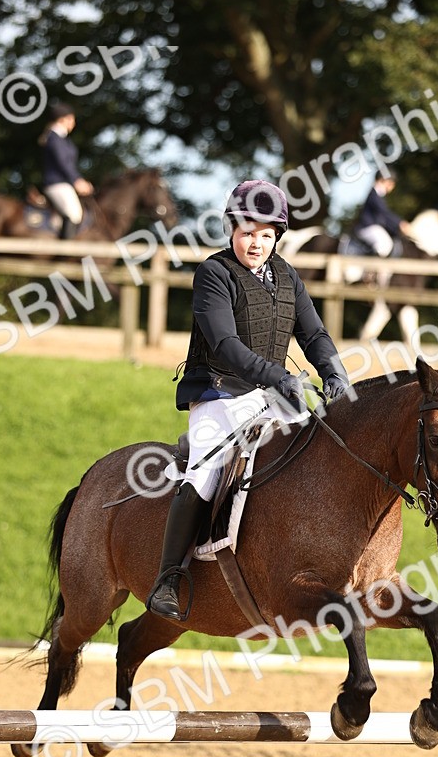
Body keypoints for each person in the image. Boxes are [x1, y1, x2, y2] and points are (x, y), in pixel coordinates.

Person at [146, 179, 351, 621]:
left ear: (277, 237)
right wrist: (280, 378)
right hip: (220, 391)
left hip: (272, 394)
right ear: (231, 231)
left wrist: (333, 369)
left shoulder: (287, 275)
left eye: (264, 235)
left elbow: (312, 332)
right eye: (246, 233)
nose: (255, 243)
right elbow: (224, 344)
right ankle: (168, 578)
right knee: (205, 471)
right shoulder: (213, 274)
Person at [40, 101, 94, 239]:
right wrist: (77, 181)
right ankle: (65, 252)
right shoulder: (55, 139)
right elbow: (63, 163)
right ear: (64, 119)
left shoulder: (62, 139)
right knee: (74, 214)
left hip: (64, 184)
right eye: (72, 119)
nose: (73, 123)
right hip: (57, 184)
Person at [351, 173, 412, 258]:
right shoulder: (374, 194)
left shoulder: (379, 195)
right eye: (391, 183)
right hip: (367, 227)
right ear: (383, 180)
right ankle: (371, 270)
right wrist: (400, 223)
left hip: (372, 227)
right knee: (385, 243)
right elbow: (384, 212)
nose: (392, 187)